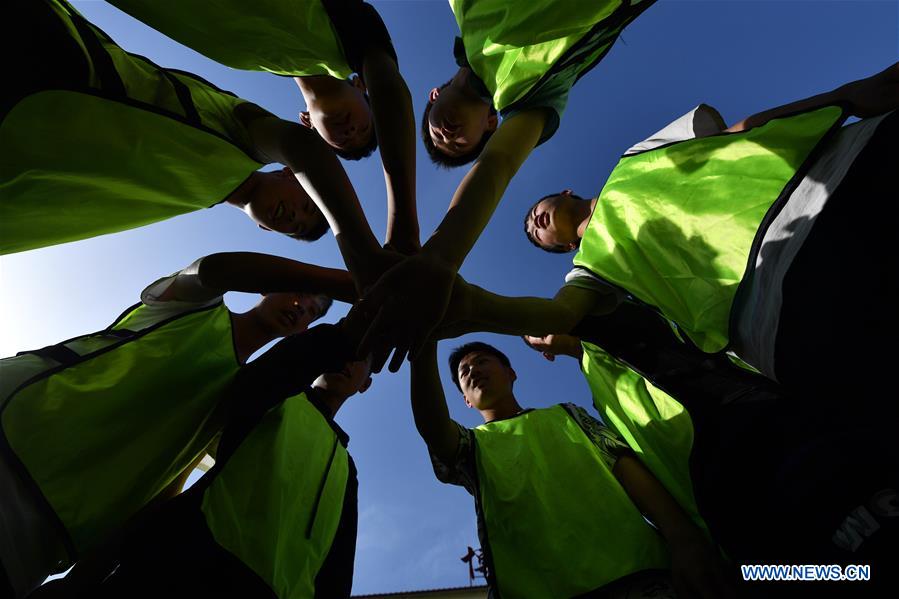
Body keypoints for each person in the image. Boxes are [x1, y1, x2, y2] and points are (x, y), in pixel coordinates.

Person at [513, 63, 899, 414]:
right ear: (564, 247)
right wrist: (518, 318)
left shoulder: (632, 159)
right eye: (536, 233)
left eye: (533, 214)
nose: (534, 222)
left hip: (831, 178)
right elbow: (563, 313)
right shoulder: (589, 269)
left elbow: (736, 131)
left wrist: (845, 95)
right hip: (781, 312)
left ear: (565, 192)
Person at [0, 251, 352, 599]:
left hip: (46, 538)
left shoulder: (243, 400)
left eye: (312, 311)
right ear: (268, 287)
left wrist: (81, 580)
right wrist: (347, 282)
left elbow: (162, 493)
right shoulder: (194, 306)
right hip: (11, 443)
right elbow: (213, 269)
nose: (300, 307)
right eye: (300, 292)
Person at [352, 1, 658, 370]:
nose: (447, 136)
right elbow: (497, 165)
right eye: (460, 145)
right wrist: (440, 258)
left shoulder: (467, 13)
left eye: (435, 132)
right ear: (492, 127)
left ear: (433, 95)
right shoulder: (536, 99)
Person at [1, 0, 389, 257]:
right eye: (308, 205)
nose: (295, 217)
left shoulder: (194, 196)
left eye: (296, 228)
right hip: (56, 64)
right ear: (293, 174)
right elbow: (298, 144)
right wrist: (363, 251)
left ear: (265, 231)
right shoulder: (245, 139)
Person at [35, 323, 371, 599]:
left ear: (365, 384)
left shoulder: (346, 468)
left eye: (362, 356)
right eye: (351, 347)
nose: (350, 358)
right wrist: (340, 337)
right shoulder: (282, 397)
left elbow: (337, 573)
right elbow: (259, 382)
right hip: (173, 569)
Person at [410, 340, 730, 599]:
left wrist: (683, 538)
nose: (472, 370)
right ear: (466, 400)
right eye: (464, 372)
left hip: (640, 575)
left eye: (481, 361)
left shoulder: (568, 415)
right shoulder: (470, 446)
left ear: (511, 373)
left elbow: (626, 468)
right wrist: (422, 344)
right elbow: (433, 427)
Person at [107, 0, 420, 252]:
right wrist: (401, 225)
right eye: (365, 128)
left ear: (308, 124)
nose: (351, 133)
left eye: (341, 142)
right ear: (364, 87)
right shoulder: (343, 31)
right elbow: (389, 89)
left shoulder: (257, 57)